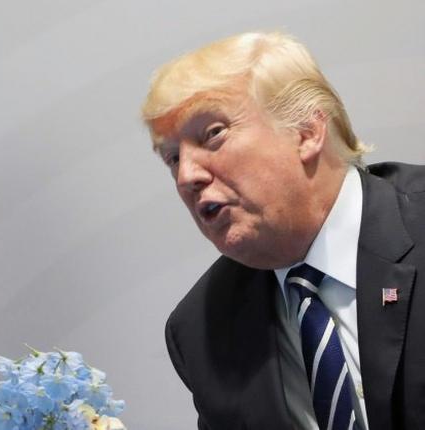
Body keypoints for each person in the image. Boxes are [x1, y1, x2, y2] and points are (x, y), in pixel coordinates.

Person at [142, 32, 425, 429]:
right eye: (172, 157)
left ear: (306, 132)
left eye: (213, 134)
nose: (187, 175)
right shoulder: (203, 330)